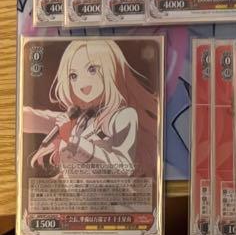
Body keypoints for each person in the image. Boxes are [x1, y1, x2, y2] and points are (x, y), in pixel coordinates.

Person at [22, 39, 158, 179]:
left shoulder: (122, 116)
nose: (82, 83)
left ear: (112, 69)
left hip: (107, 192)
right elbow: (36, 118)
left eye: (92, 70)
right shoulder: (79, 118)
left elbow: (123, 168)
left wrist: (75, 141)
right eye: (73, 76)